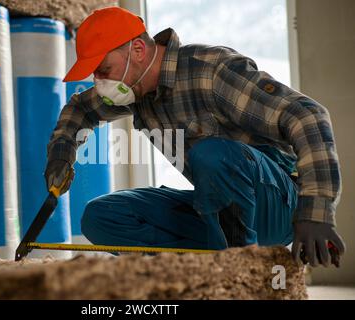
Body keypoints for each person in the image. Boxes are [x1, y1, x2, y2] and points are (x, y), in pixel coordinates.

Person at [44, 7, 345, 267]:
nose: (100, 82)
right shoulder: (135, 90)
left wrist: (315, 212)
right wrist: (61, 153)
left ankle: (238, 273)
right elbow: (81, 109)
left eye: (104, 70)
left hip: (277, 204)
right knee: (101, 216)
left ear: (137, 51)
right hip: (220, 214)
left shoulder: (211, 71)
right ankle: (196, 273)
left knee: (211, 153)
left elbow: (307, 116)